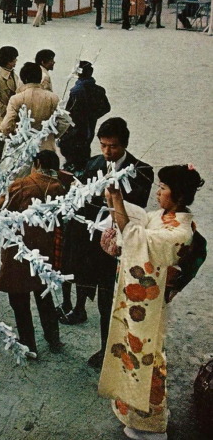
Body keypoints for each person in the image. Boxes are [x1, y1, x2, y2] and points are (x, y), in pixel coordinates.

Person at [98, 165, 204, 440]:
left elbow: (138, 237)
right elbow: (141, 221)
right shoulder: (165, 217)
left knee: (149, 357)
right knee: (133, 354)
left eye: (163, 188)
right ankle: (134, 416)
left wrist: (119, 202)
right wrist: (115, 203)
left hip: (151, 306)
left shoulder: (180, 232)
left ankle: (153, 425)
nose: (157, 192)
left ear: (179, 196)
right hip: (144, 304)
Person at [60, 117, 154, 370]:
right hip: (95, 245)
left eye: (112, 146)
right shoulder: (94, 164)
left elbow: (139, 208)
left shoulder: (142, 170)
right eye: (103, 145)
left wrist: (115, 198)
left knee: (116, 302)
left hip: (125, 244)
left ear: (124, 144)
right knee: (100, 297)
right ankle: (102, 342)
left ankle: (112, 348)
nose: (107, 152)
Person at [0, 150, 72, 357]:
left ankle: (28, 343)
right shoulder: (62, 186)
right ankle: (53, 337)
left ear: (36, 163)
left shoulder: (21, 184)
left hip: (20, 250)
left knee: (19, 300)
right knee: (44, 296)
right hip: (46, 250)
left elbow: (1, 208)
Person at [59, 60, 111, 174]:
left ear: (78, 73)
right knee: (85, 153)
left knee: (73, 159)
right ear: (91, 72)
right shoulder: (99, 90)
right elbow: (107, 108)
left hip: (75, 130)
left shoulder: (75, 91)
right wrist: (93, 116)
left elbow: (68, 112)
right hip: (89, 128)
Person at [0, 62, 65, 152]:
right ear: (40, 78)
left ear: (24, 79)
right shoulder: (53, 98)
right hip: (47, 147)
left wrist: (15, 134)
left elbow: (6, 126)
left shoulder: (16, 99)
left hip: (22, 148)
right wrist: (53, 134)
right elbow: (64, 121)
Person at [0, 45, 18, 163]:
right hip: (1, 119)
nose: (16, 61)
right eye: (14, 59)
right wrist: (7, 111)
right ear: (8, 61)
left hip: (12, 118)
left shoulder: (13, 75)